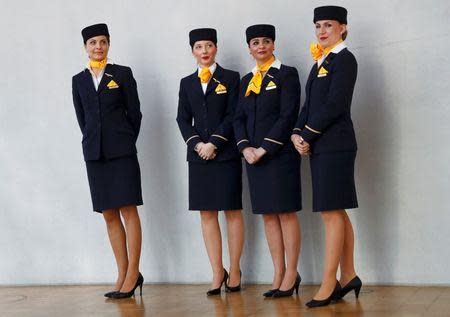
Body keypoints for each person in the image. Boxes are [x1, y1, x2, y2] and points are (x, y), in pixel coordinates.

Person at [291, 6, 362, 308]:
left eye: (328, 25)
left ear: (343, 28)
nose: (321, 31)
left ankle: (329, 282)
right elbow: (309, 105)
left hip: (336, 145)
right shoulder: (320, 61)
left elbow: (335, 105)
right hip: (320, 145)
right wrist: (297, 133)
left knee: (331, 213)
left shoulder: (345, 60)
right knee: (336, 212)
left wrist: (307, 134)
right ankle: (349, 276)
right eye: (318, 25)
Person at [72, 23, 144, 299]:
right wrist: (96, 141)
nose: (98, 46)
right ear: (86, 47)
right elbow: (83, 119)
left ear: (109, 44)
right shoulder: (78, 80)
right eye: (93, 43)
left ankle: (133, 272)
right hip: (95, 154)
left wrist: (123, 139)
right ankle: (123, 271)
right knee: (109, 214)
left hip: (122, 152)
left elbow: (135, 113)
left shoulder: (122, 74)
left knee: (128, 210)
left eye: (103, 41)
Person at [234, 24, 302, 298]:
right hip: (253, 158)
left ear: (273, 44)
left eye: (265, 41)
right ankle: (278, 271)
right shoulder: (245, 81)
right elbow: (238, 118)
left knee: (285, 213)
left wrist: (263, 148)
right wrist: (245, 148)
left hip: (279, 155)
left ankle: (291, 272)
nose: (260, 46)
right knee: (268, 216)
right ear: (249, 48)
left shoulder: (287, 74)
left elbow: (288, 115)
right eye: (255, 42)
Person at [176, 28, 244, 295]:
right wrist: (197, 145)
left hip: (225, 154)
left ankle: (235, 269)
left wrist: (214, 142)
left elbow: (234, 114)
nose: (204, 51)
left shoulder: (232, 78)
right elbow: (182, 119)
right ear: (192, 51)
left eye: (208, 46)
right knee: (207, 214)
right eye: (199, 47)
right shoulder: (186, 83)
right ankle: (217, 271)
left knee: (232, 212)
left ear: (216, 48)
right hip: (198, 157)